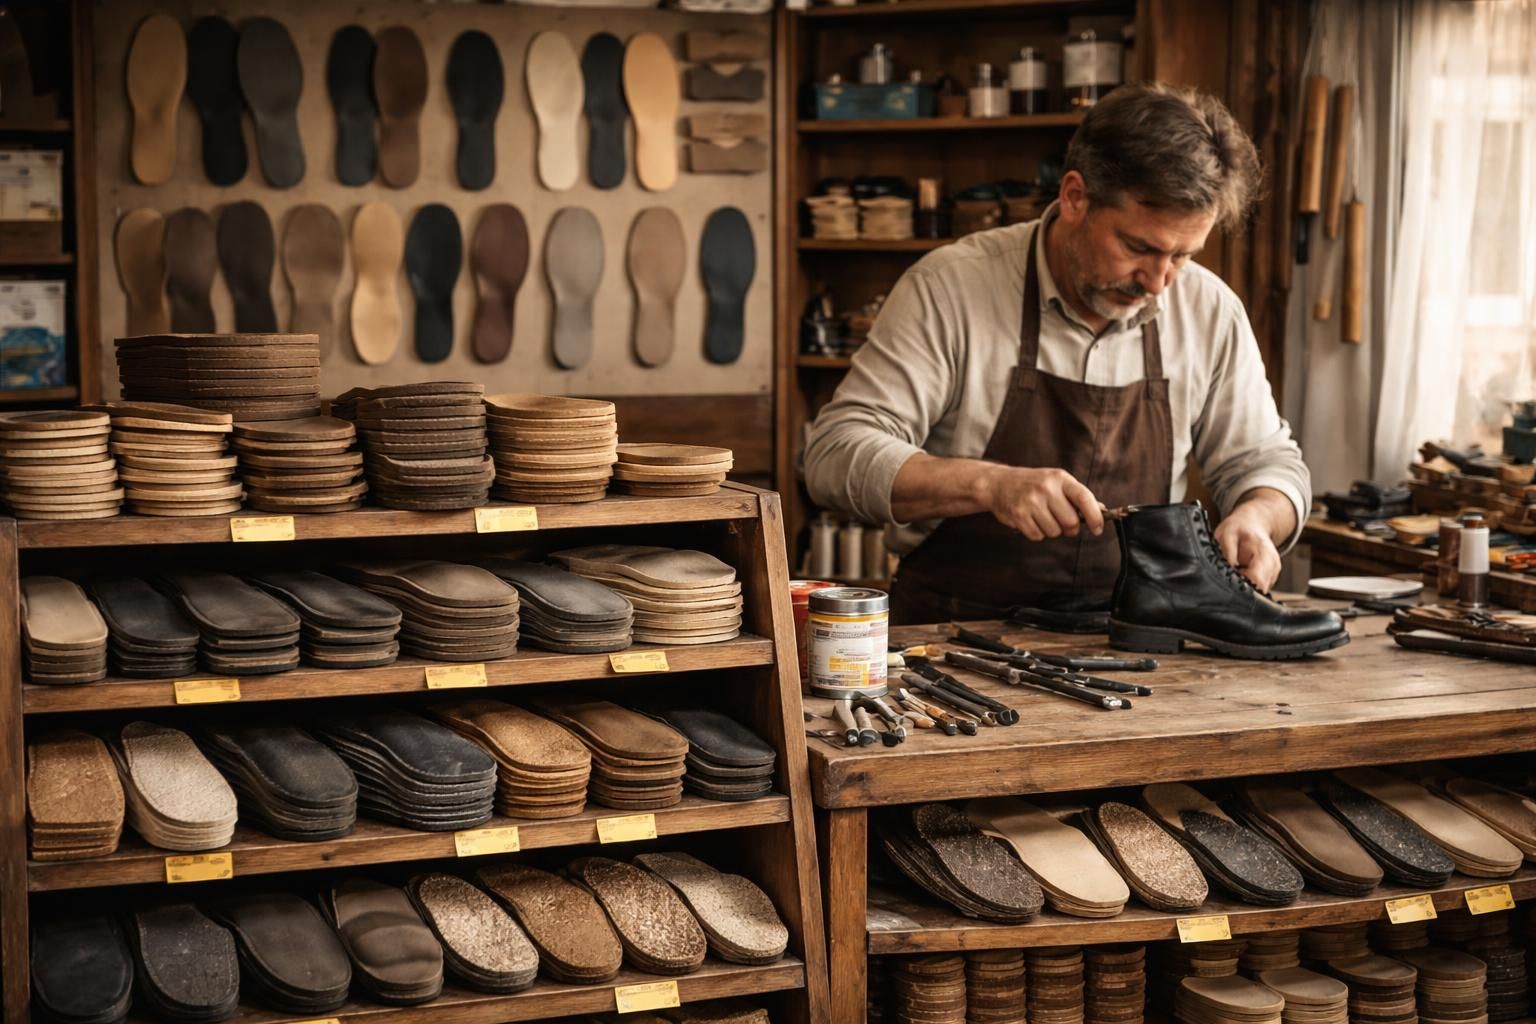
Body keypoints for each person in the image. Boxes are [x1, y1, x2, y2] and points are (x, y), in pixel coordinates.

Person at [803, 82, 1311, 626]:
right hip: (952, 633)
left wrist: (1258, 516)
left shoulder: (1209, 310)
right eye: (1138, 247)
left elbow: (1267, 463)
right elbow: (835, 455)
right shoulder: (950, 288)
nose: (1158, 282)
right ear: (1074, 197)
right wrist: (989, 485)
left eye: (1182, 256)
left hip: (1134, 638)